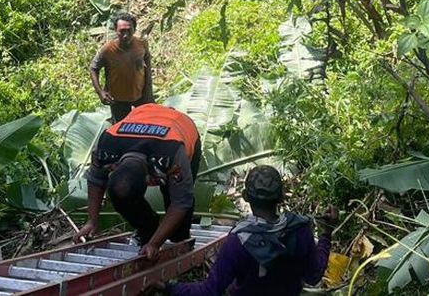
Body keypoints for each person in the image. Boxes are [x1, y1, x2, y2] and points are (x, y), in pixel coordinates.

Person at [153, 165, 334, 295]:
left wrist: (169, 287)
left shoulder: (238, 241)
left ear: (246, 197)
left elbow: (210, 290)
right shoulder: (300, 230)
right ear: (280, 197)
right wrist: (326, 234)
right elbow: (313, 276)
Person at [73, 104, 202, 263]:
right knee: (120, 193)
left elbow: (181, 201)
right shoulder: (106, 145)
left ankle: (180, 235)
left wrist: (155, 244)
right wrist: (92, 220)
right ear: (114, 166)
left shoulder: (171, 154)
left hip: (180, 126)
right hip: (143, 114)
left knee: (176, 222)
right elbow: (96, 180)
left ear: (150, 179)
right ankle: (148, 228)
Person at [89, 12, 153, 123]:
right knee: (122, 129)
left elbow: (147, 62)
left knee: (146, 125)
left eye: (129, 30)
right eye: (122, 31)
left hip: (141, 96)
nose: (125, 35)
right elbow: (93, 68)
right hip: (118, 100)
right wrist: (100, 92)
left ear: (134, 29)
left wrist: (148, 90)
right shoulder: (108, 50)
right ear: (115, 30)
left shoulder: (141, 44)